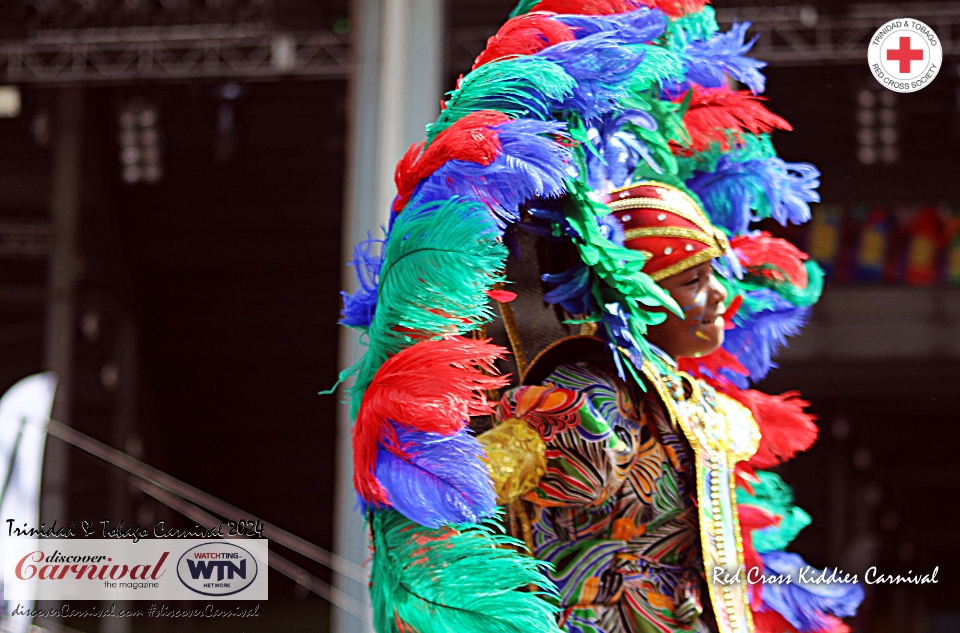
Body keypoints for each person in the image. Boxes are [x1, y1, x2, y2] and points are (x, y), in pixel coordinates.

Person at [337, 2, 864, 632]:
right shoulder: (583, 393)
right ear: (640, 297)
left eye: (719, 275)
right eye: (695, 280)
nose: (723, 297)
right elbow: (474, 487)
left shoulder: (686, 401)